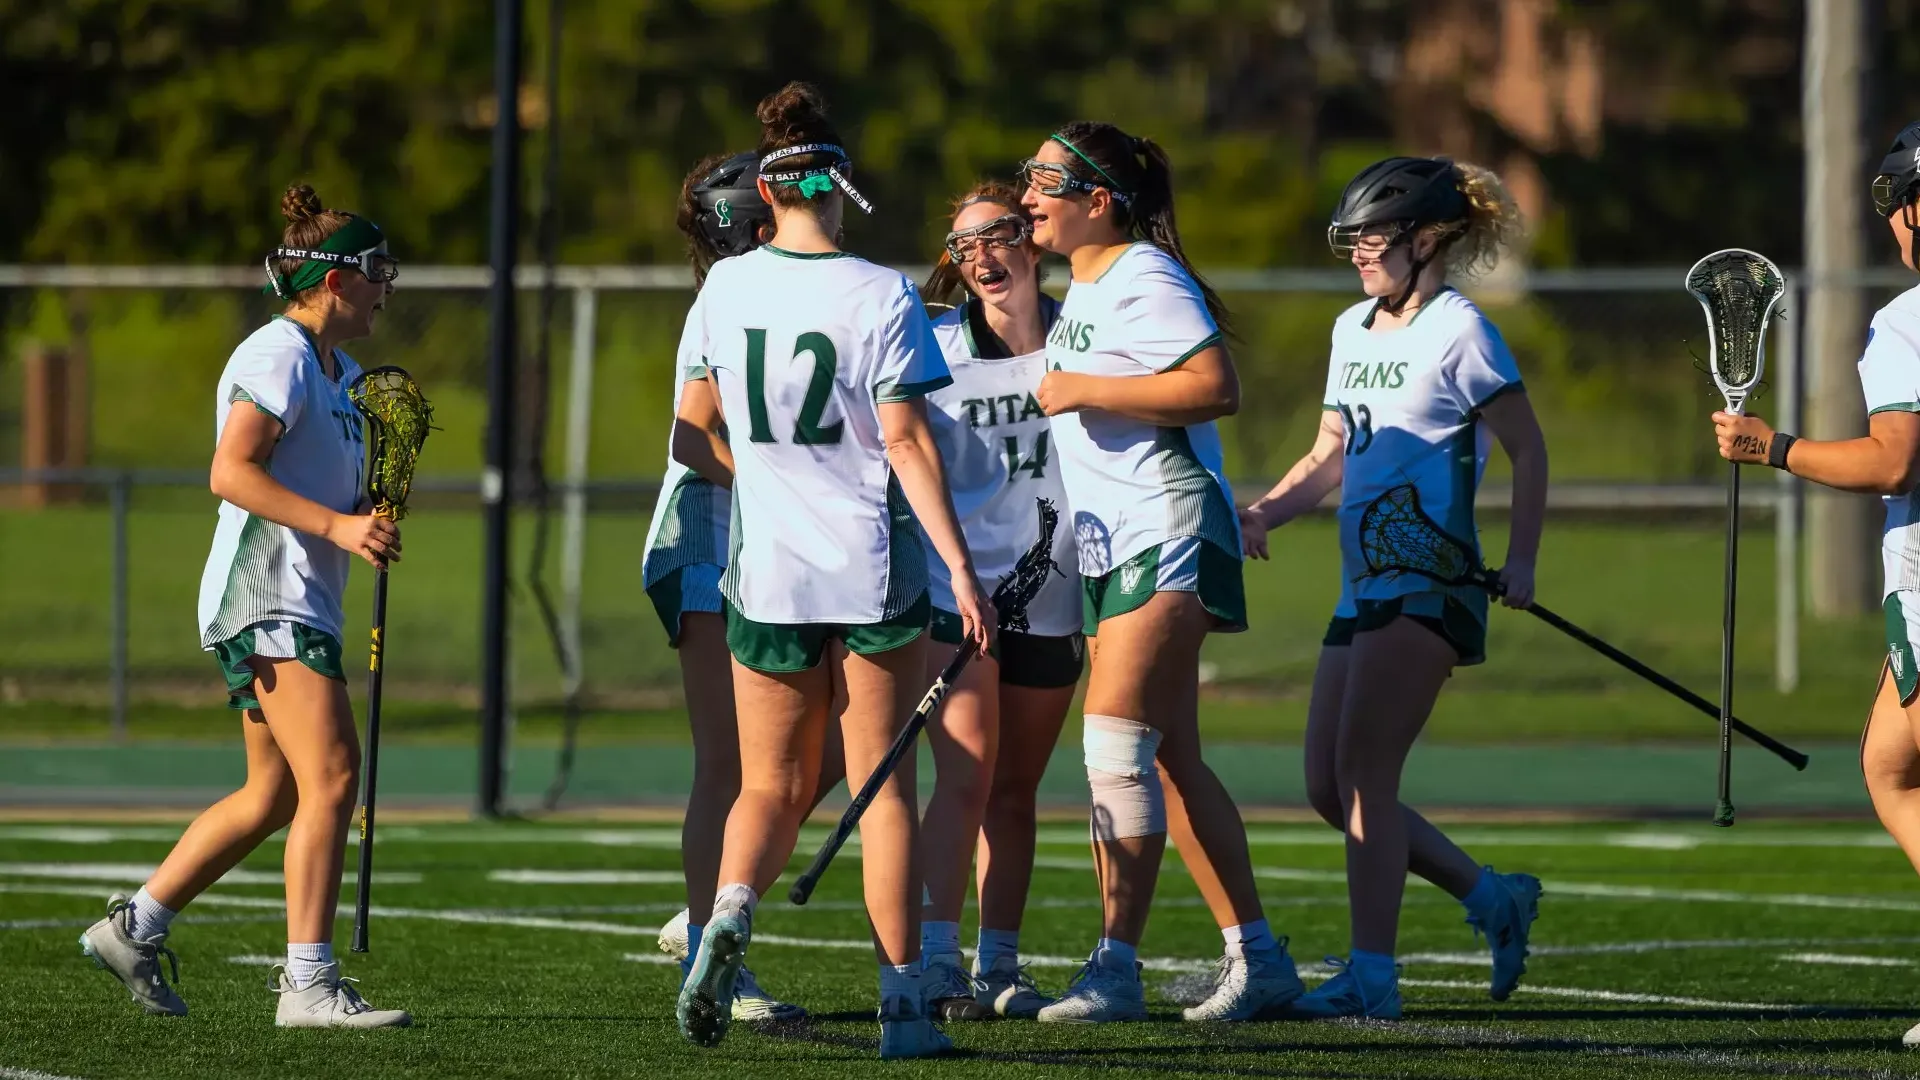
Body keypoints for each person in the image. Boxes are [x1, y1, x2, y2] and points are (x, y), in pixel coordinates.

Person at [673, 82, 990, 1060]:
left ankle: (727, 911)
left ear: (765, 196)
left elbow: (693, 437)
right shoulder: (881, 293)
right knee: (880, 787)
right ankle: (902, 1010)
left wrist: (764, 487)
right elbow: (905, 443)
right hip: (868, 569)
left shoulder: (724, 289)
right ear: (838, 188)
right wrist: (962, 571)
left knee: (766, 783)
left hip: (764, 574)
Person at [79, 184, 409, 1028]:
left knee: (274, 796)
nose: (386, 286)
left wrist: (365, 518)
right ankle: (307, 983)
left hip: (303, 597)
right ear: (334, 281)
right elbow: (231, 471)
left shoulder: (343, 375)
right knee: (333, 775)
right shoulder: (278, 355)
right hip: (269, 592)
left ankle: (135, 927)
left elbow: (314, 484)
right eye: (376, 272)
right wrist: (339, 523)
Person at [1239, 156, 1548, 1020]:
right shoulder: (1351, 330)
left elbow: (1529, 451)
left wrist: (1521, 561)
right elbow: (1329, 452)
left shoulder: (1462, 331)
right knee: (1327, 790)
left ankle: (1372, 977)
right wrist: (1263, 511)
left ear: (1427, 238)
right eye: (1355, 238)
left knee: (1367, 776)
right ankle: (1491, 897)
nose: (1360, 253)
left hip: (1432, 579)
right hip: (1362, 584)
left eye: (1375, 237)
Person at [1020, 121, 1304, 1023]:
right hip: (1115, 545)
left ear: (1097, 200)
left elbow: (1215, 386)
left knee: (1111, 749)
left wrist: (1085, 388)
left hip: (1165, 527)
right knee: (1171, 759)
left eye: (1044, 180)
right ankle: (1260, 960)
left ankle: (1115, 969)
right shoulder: (1084, 284)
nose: (1028, 194)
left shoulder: (1144, 274)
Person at [1709, 120, 1920, 1048]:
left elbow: (1893, 462)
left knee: (1891, 769)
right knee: (1891, 757)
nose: (1893, 226)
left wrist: (1775, 448)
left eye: (1895, 203)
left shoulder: (1909, 321)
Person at [643, 150, 819, 1023]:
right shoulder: (728, 299)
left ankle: (708, 907)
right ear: (755, 226)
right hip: (707, 539)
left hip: (767, 543)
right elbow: (690, 441)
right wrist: (779, 486)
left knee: (810, 759)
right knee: (737, 763)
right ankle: (714, 958)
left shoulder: (787, 295)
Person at [913, 182, 1083, 1020]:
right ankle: (939, 961)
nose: (982, 255)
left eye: (1000, 235)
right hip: (962, 593)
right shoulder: (935, 343)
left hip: (1055, 592)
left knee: (1016, 792)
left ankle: (1000, 967)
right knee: (968, 778)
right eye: (964, 244)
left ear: (1033, 239)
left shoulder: (1085, 334)